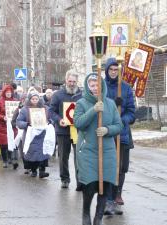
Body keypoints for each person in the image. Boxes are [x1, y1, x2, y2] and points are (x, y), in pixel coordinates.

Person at [73, 73, 123, 225]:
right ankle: (86, 213)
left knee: (105, 186)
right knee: (90, 185)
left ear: (102, 86)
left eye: (97, 85)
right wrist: (93, 110)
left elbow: (119, 125)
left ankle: (98, 218)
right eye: (92, 85)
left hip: (106, 151)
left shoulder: (110, 103)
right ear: (88, 87)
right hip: (88, 151)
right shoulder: (81, 103)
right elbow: (78, 123)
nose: (95, 88)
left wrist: (107, 130)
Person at [104, 58, 136, 215]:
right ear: (106, 70)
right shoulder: (102, 87)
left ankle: (117, 195)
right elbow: (99, 106)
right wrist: (111, 104)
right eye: (111, 70)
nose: (114, 72)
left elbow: (131, 112)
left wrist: (122, 121)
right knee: (109, 165)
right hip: (107, 132)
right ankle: (108, 199)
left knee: (121, 167)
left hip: (122, 133)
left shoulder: (126, 88)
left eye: (116, 70)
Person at [49, 69, 82, 190]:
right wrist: (59, 120)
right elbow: (51, 111)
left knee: (80, 156)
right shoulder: (58, 95)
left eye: (74, 81)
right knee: (63, 156)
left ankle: (80, 181)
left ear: (77, 81)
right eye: (70, 81)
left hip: (78, 131)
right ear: (66, 80)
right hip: (63, 131)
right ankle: (64, 179)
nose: (72, 83)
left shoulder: (82, 95)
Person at [16, 91, 50, 178]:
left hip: (43, 134)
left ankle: (42, 171)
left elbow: (51, 118)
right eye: (33, 99)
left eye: (36, 99)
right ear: (29, 99)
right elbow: (19, 121)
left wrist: (49, 122)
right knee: (32, 153)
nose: (35, 100)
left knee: (43, 152)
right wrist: (27, 124)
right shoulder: (25, 109)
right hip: (30, 135)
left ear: (39, 99)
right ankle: (34, 170)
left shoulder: (45, 108)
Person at [0, 85, 18, 168]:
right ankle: (5, 161)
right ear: (4, 93)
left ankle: (10, 159)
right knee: (3, 145)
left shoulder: (15, 101)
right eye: (7, 92)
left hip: (12, 126)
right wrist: (3, 117)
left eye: (10, 92)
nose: (9, 94)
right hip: (2, 126)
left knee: (11, 143)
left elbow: (19, 112)